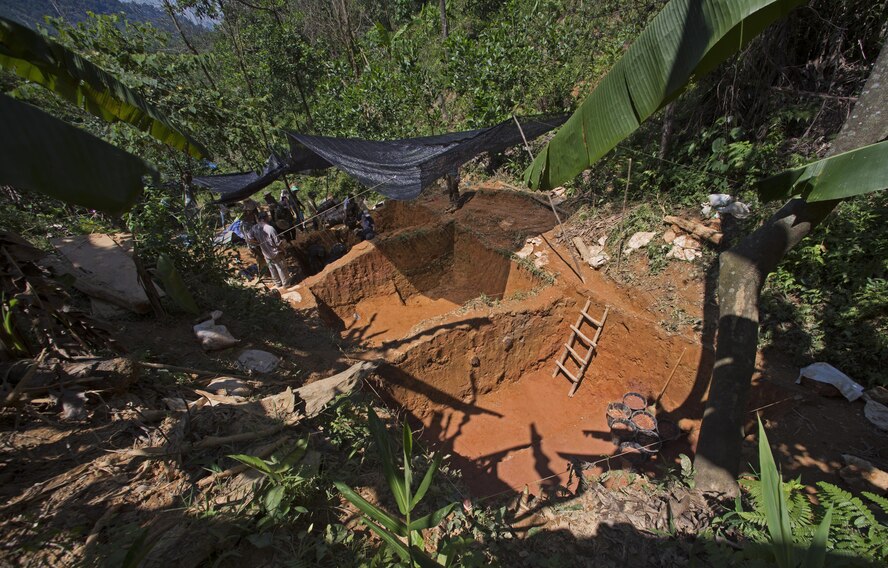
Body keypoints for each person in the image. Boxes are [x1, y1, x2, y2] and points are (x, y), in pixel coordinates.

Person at [247, 211, 292, 289]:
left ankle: (278, 283)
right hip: (275, 251)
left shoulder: (255, 227)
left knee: (272, 268)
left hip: (265, 252)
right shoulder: (270, 228)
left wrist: (258, 242)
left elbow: (249, 238)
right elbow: (278, 243)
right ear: (266, 218)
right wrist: (284, 250)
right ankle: (286, 284)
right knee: (281, 268)